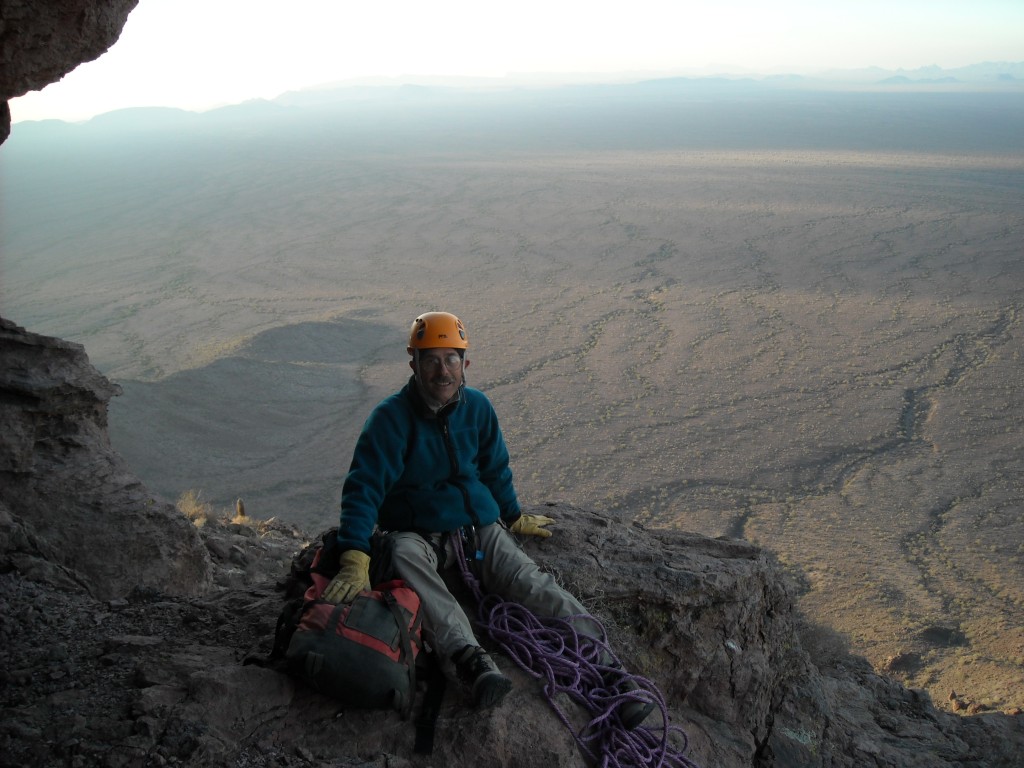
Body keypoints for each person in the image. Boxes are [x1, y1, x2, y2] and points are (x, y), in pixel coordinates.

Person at [322, 311, 652, 728]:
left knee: (533, 584)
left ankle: (612, 673)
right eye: (431, 359)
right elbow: (363, 488)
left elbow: (495, 468)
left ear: (466, 364)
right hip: (416, 533)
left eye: (451, 359)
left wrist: (511, 516)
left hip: (477, 530)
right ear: (413, 365)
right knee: (404, 555)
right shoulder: (390, 420)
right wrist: (355, 553)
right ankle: (469, 659)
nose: (443, 370)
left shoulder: (477, 408)